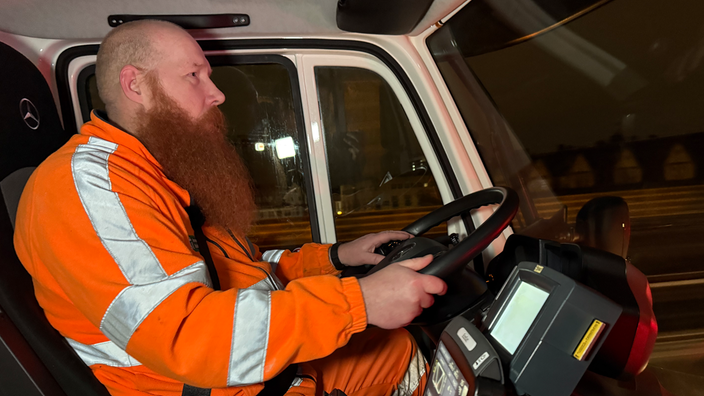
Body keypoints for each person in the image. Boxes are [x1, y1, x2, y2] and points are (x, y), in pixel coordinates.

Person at [13, 20, 447, 396]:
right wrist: (360, 302)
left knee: (402, 350)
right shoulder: (84, 187)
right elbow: (187, 337)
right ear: (135, 85)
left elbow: (245, 270)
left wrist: (335, 258)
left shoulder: (159, 172)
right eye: (194, 76)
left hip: (256, 372)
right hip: (212, 387)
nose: (218, 94)